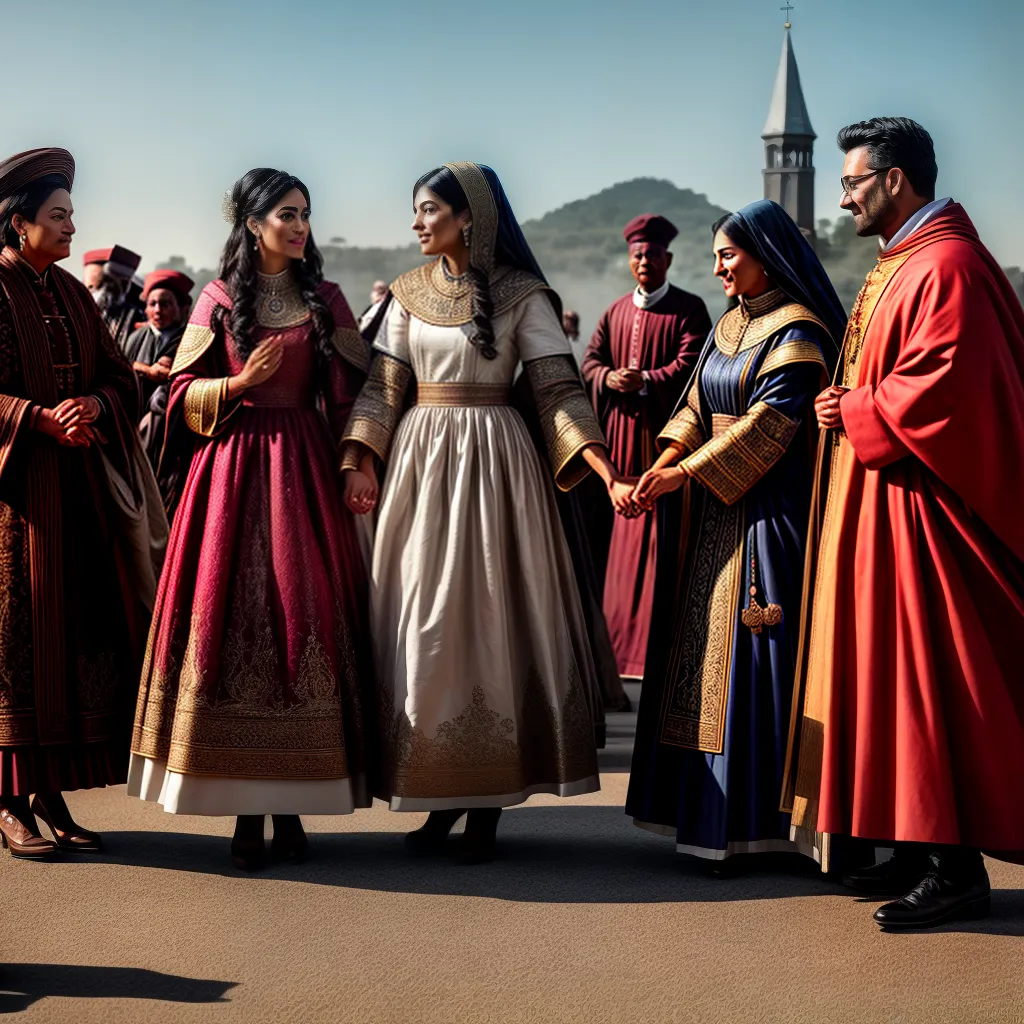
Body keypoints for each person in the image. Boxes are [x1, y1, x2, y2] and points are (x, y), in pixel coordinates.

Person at [341, 162, 634, 863]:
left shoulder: (523, 295)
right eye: (414, 211)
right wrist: (362, 458)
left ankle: (487, 807)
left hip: (498, 467)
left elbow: (559, 391)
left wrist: (604, 467)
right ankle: (438, 791)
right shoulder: (407, 295)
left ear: (467, 215)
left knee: (492, 622)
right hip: (420, 467)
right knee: (426, 626)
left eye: (428, 210)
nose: (416, 223)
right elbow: (384, 388)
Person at [783, 117, 1024, 928]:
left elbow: (946, 390)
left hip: (928, 523)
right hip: (888, 513)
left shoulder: (947, 264)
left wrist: (852, 407)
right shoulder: (905, 262)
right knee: (895, 680)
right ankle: (923, 851)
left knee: (935, 685)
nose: (843, 195)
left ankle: (958, 871)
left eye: (853, 181)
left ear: (894, 179)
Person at [129, 168, 374, 871]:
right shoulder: (213, 299)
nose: (300, 226)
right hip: (228, 480)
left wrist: (358, 461)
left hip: (302, 475)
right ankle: (243, 809)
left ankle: (296, 801)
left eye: (305, 214)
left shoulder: (326, 299)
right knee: (233, 621)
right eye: (288, 215)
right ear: (253, 223)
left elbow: (355, 396)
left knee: (303, 621)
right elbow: (176, 398)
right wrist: (240, 383)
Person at [624, 200, 846, 868]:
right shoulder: (729, 325)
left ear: (764, 255)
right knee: (700, 662)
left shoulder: (797, 331)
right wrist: (663, 461)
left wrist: (681, 474)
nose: (717, 265)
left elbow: (772, 427)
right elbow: (695, 405)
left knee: (761, 667)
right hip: (712, 517)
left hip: (768, 521)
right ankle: (704, 815)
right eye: (717, 255)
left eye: (729, 254)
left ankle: (768, 826)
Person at [0, 148, 148, 859]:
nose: (69, 227)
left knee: (65, 640)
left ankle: (49, 795)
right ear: (17, 221)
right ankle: (7, 805)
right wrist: (34, 418)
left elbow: (123, 380)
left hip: (74, 497)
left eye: (69, 216)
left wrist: (93, 401)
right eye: (57, 216)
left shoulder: (73, 294)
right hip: (12, 502)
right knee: (13, 644)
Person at [581, 216, 711, 681]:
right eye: (637, 254)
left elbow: (695, 368)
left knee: (659, 539)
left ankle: (653, 649)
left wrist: (647, 381)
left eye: (651, 254)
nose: (643, 262)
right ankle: (615, 651)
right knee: (618, 541)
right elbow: (591, 360)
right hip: (617, 441)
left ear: (667, 259)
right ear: (628, 259)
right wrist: (608, 377)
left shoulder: (689, 309)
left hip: (663, 442)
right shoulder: (614, 311)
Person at [123, 269, 194, 473]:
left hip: (174, 427)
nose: (158, 310)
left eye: (165, 304)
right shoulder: (135, 337)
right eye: (152, 304)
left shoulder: (188, 338)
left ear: (182, 308)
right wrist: (144, 369)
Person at [82, 245, 145, 352]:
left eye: (114, 284)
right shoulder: (75, 309)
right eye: (100, 285)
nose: (107, 291)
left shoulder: (136, 316)